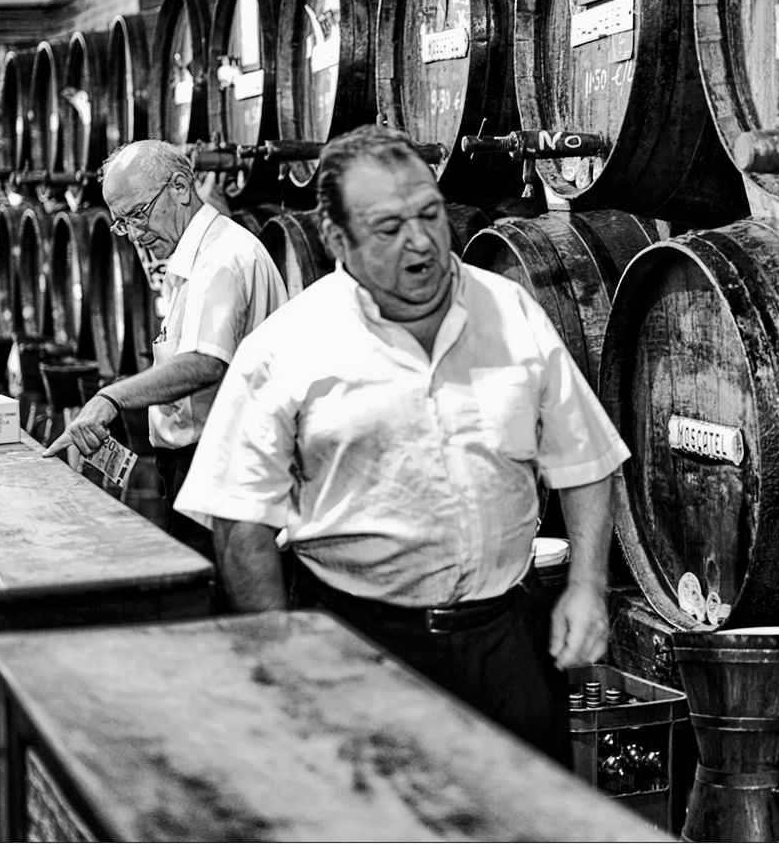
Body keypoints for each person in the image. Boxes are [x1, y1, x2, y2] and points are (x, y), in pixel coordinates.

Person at [174, 126, 629, 763]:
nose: (420, 242)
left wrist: (587, 585)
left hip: (508, 638)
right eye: (388, 228)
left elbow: (584, 456)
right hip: (361, 639)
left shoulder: (509, 310)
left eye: (429, 214)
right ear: (338, 240)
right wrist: (283, 648)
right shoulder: (286, 347)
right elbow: (238, 518)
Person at [43, 140, 286, 558]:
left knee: (216, 611)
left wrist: (111, 397)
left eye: (138, 214)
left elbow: (203, 364)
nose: (135, 233)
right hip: (201, 465)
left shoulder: (222, 259)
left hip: (227, 467)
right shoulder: (194, 258)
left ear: (179, 187)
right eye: (123, 223)